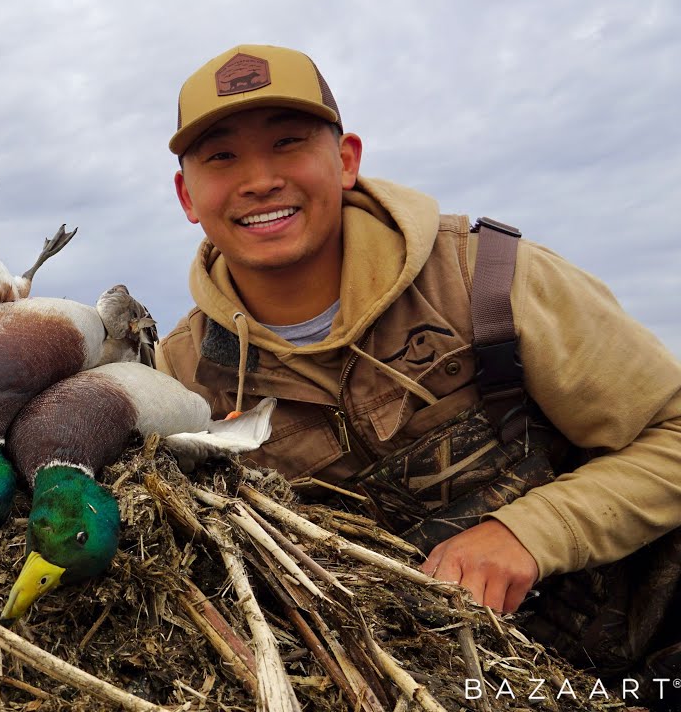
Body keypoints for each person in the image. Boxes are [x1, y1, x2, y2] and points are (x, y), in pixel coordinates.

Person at [155, 43, 681, 701]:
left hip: (648, 647)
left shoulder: (487, 281)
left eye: (288, 143)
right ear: (187, 194)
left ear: (346, 160)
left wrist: (532, 531)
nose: (259, 179)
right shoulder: (182, 382)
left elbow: (673, 434)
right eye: (221, 157)